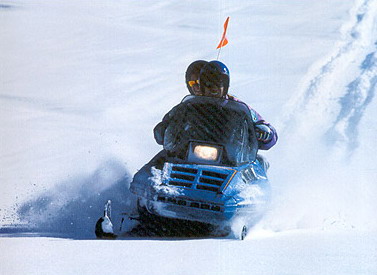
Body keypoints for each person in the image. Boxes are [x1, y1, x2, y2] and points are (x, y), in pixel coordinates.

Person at [198, 60, 278, 150]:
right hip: (194, 157)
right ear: (202, 86)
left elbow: (265, 127)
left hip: (232, 159)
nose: (213, 88)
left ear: (225, 85)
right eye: (208, 84)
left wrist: (267, 134)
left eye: (218, 83)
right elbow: (179, 121)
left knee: (260, 162)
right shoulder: (191, 107)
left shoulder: (238, 107)